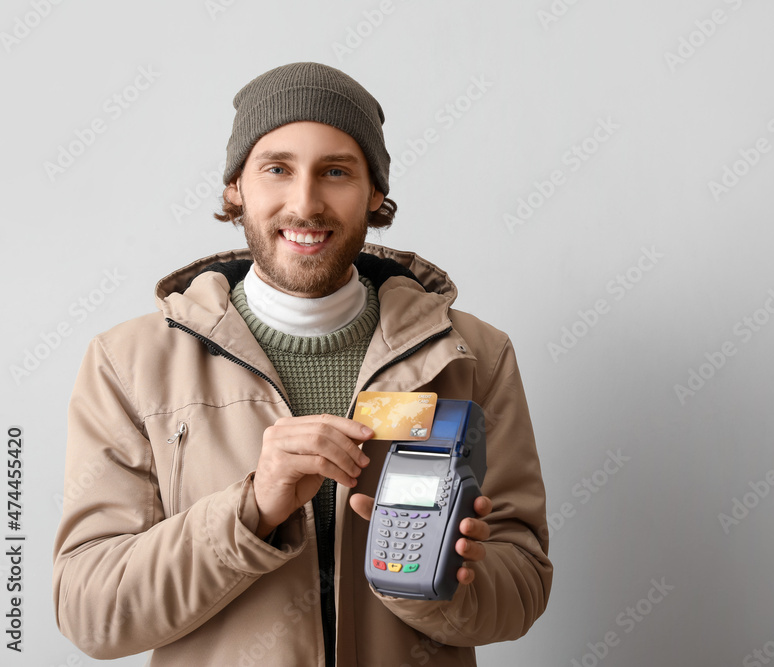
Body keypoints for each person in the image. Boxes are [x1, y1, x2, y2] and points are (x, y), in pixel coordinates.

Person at [52, 62, 552, 667]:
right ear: (237, 186)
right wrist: (254, 508)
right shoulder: (128, 363)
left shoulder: (474, 355)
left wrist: (437, 581)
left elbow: (523, 585)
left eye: (336, 171)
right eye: (277, 169)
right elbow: (90, 613)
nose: (305, 202)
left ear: (375, 192)